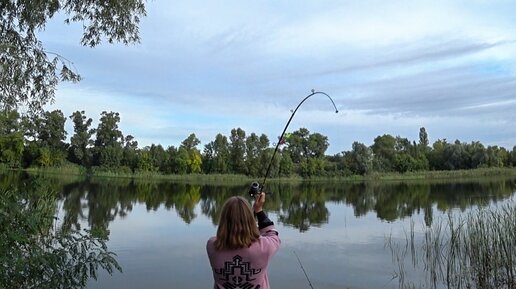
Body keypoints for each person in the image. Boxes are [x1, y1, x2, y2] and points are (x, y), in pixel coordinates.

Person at [206, 193, 280, 289]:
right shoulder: (264, 247)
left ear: (223, 220)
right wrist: (259, 210)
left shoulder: (212, 245)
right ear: (250, 221)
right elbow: (272, 233)